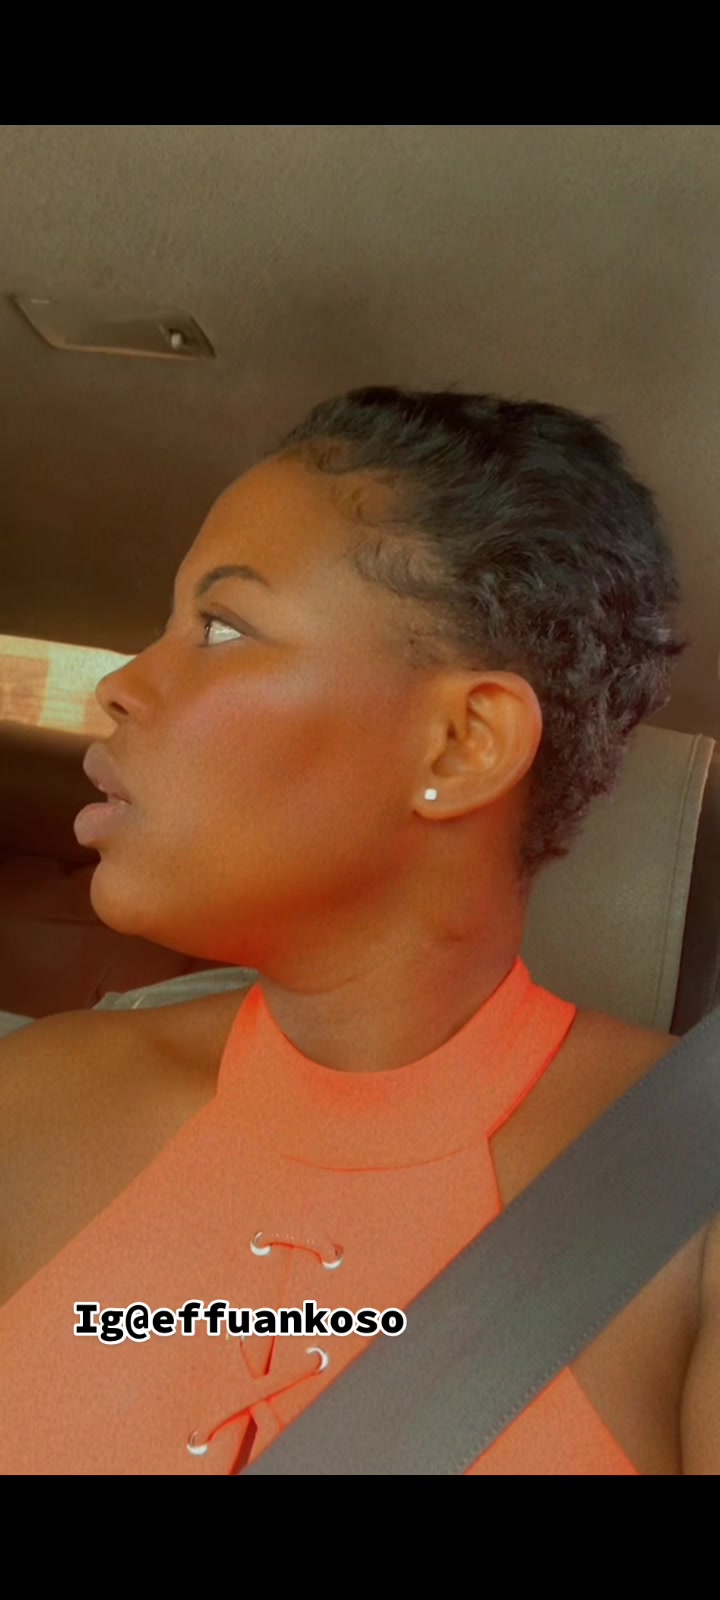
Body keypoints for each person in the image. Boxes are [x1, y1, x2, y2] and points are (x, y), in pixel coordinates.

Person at [0, 386, 717, 1475]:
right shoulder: (32, 1099)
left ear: (462, 744)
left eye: (222, 627)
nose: (122, 686)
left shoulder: (690, 1197)